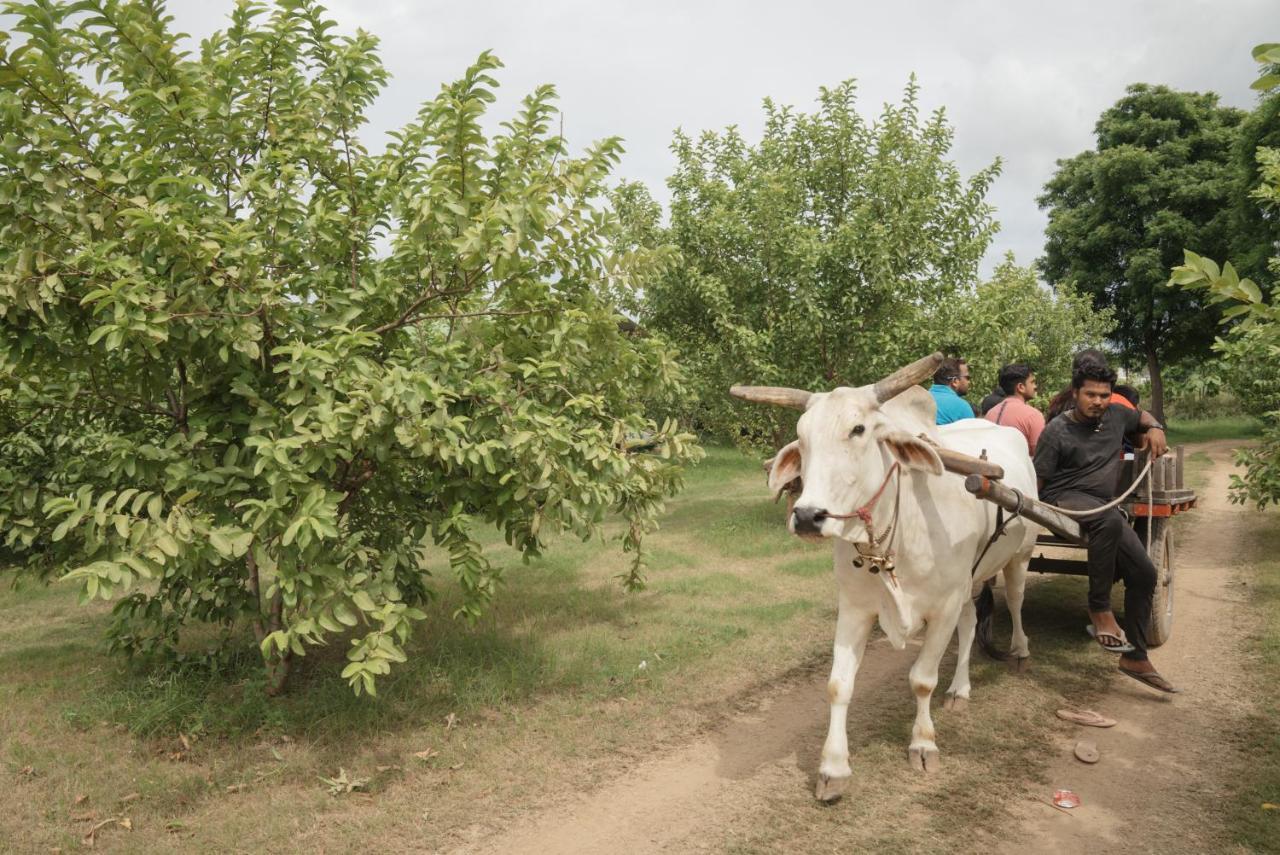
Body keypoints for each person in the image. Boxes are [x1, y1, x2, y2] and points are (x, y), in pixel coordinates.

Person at [1033, 362, 1176, 693]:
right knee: (1109, 519)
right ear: (1075, 393)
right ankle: (1099, 609)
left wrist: (1155, 426)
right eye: (1090, 394)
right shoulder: (1056, 431)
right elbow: (1038, 484)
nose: (1097, 401)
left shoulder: (1116, 415)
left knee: (1145, 573)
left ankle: (1136, 657)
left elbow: (1139, 416)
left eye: (1104, 395)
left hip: (1104, 506)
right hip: (1064, 499)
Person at [984, 364, 1044, 454]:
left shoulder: (990, 414)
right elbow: (1041, 456)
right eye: (1032, 382)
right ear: (1021, 387)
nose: (1035, 386)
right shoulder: (1033, 415)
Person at [929, 357, 976, 424]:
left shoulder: (920, 400)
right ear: (955, 381)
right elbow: (973, 433)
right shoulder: (962, 407)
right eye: (967, 378)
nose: (969, 382)